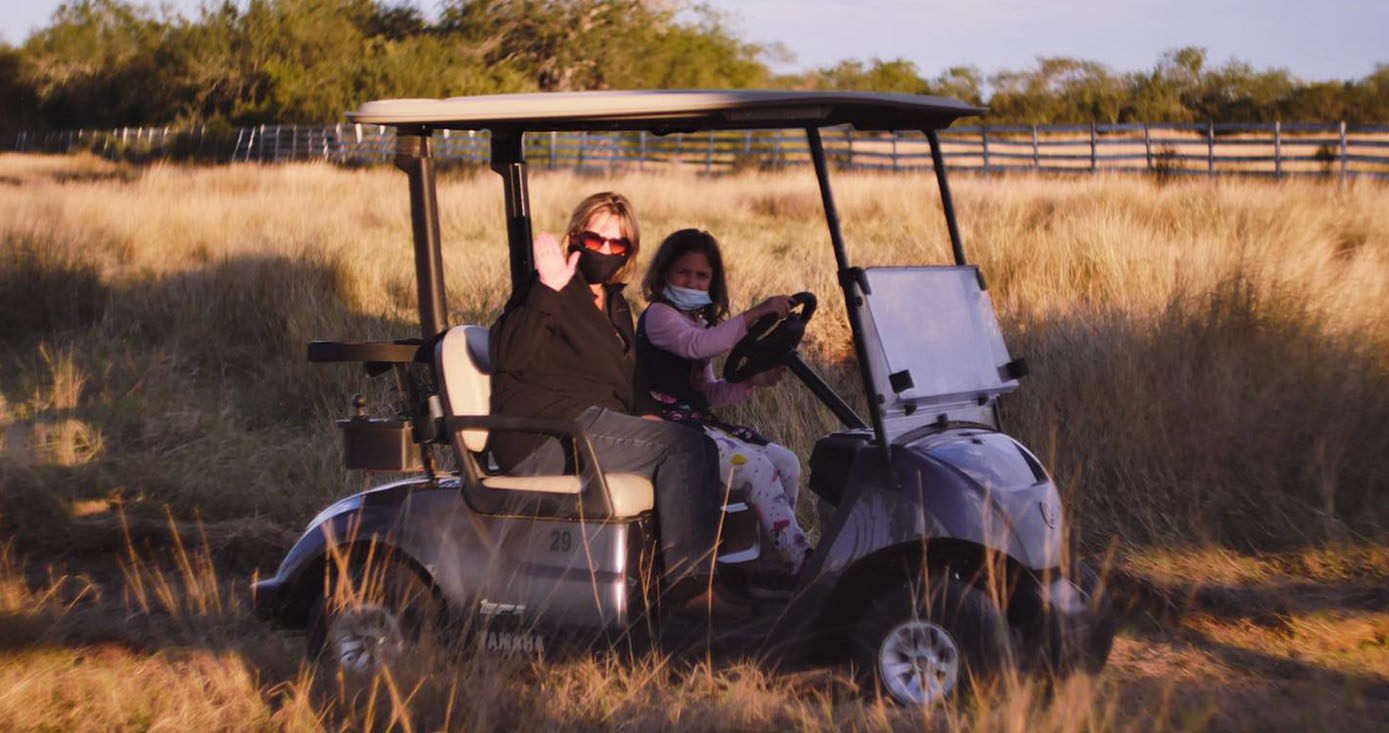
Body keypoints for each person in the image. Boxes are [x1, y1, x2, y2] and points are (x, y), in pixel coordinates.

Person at [488, 192, 722, 589]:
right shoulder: (548, 288)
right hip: (546, 433)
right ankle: (690, 590)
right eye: (596, 240)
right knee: (685, 448)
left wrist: (653, 417)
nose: (606, 250)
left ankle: (674, 582)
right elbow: (506, 354)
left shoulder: (615, 305)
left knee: (696, 444)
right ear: (576, 237)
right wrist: (547, 289)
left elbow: (629, 382)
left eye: (618, 244)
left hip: (594, 428)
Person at [635, 228, 812, 575]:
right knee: (755, 468)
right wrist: (753, 315)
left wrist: (753, 381)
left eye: (702, 276)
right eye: (683, 272)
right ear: (665, 273)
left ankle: (768, 564)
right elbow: (697, 347)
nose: (692, 282)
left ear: (713, 282)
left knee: (786, 462)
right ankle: (799, 563)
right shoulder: (659, 316)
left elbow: (709, 391)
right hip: (669, 431)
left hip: (698, 423)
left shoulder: (698, 322)